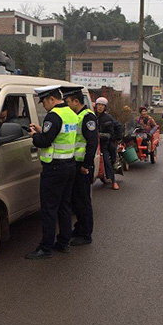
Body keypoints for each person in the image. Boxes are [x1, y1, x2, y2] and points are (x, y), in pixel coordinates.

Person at [25, 85, 78, 260]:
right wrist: (42, 130)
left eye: (44, 102)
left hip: (54, 168)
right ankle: (64, 242)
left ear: (52, 99)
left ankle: (45, 247)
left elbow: (45, 142)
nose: (43, 106)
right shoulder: (71, 113)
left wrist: (34, 135)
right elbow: (59, 135)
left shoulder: (53, 116)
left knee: (49, 208)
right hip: (69, 165)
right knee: (64, 206)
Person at [63, 87, 99, 246]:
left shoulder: (87, 117)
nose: (66, 104)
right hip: (74, 164)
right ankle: (79, 228)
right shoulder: (75, 116)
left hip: (83, 166)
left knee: (83, 200)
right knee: (76, 199)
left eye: (68, 101)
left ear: (76, 101)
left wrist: (86, 164)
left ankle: (86, 234)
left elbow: (92, 143)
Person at [95, 97, 119, 190]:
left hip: (104, 144)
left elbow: (110, 134)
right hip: (93, 144)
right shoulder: (92, 116)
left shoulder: (108, 118)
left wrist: (99, 135)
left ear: (105, 107)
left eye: (102, 105)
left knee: (106, 161)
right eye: (99, 105)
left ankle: (113, 181)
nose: (100, 107)